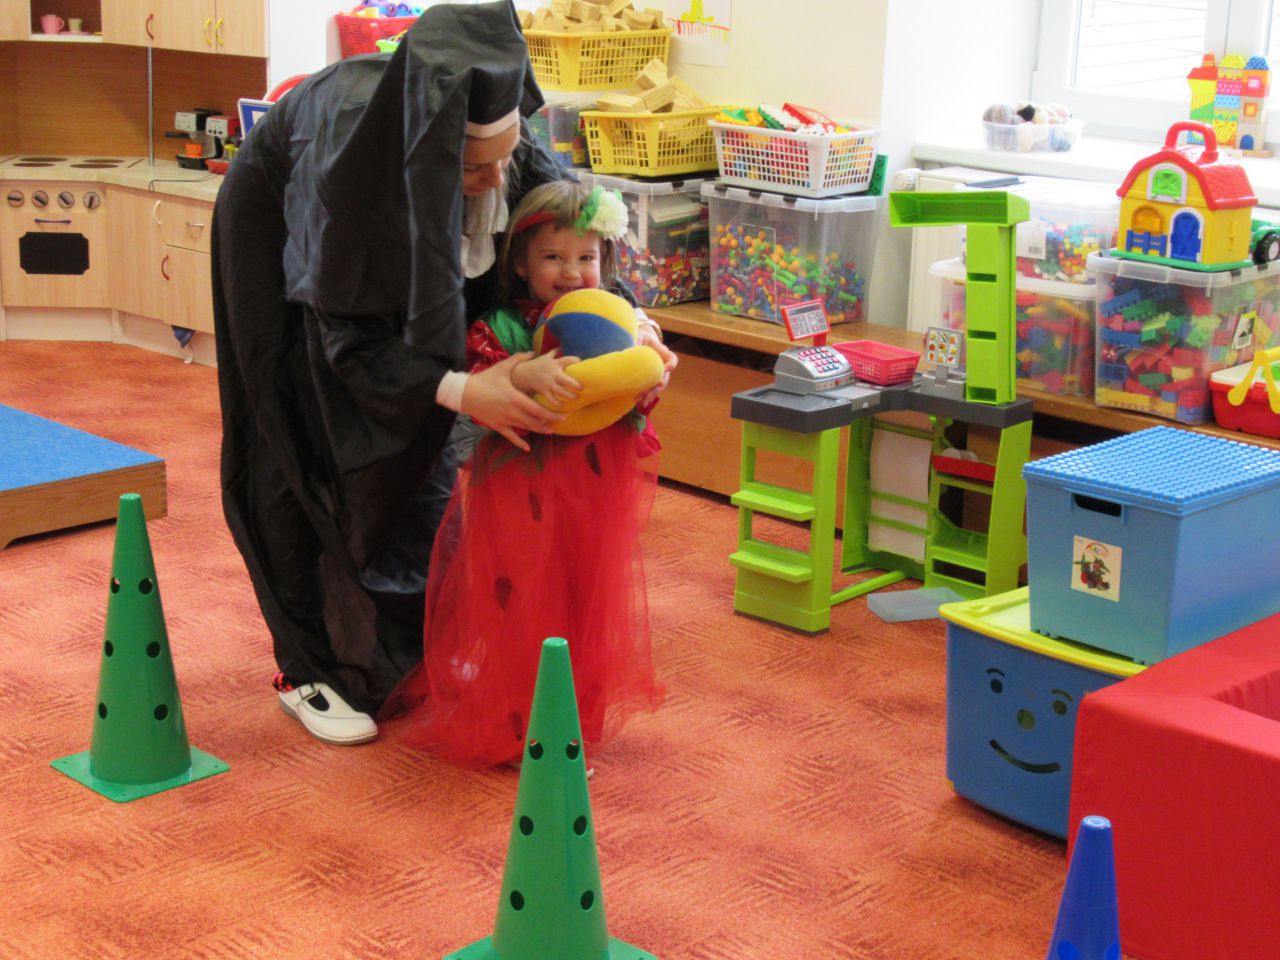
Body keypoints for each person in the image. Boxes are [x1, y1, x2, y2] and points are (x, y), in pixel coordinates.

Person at [212, 1, 674, 747]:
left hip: (401, 214)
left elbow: (572, 237)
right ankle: (308, 667)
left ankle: (403, 643)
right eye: (470, 166)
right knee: (300, 435)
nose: (496, 179)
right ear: (429, 153)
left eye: (505, 154)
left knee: (425, 449)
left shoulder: (500, 150)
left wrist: (633, 326)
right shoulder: (346, 185)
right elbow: (350, 338)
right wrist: (464, 389)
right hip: (285, 228)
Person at [380, 179, 668, 769]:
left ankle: (572, 730)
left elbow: (635, 401)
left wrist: (650, 369)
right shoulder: (503, 328)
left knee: (587, 601)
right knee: (520, 604)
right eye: (553, 257)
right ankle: (516, 727)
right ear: (520, 263)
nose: (572, 272)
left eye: (586, 257)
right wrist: (522, 373)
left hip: (593, 490)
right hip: (520, 487)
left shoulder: (618, 325)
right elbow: (480, 389)